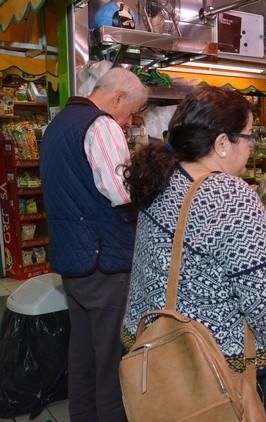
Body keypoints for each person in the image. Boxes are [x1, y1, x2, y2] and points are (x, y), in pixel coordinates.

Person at [122, 86, 266, 413]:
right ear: (221, 144)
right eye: (247, 137)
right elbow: (265, 298)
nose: (250, 147)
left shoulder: (162, 177)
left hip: (154, 354)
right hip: (213, 370)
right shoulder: (230, 196)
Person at [40, 67, 148, 422]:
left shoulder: (55, 126)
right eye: (131, 111)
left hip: (73, 259)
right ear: (118, 98)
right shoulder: (101, 126)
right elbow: (120, 192)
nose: (129, 120)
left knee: (82, 354)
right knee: (111, 360)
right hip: (104, 260)